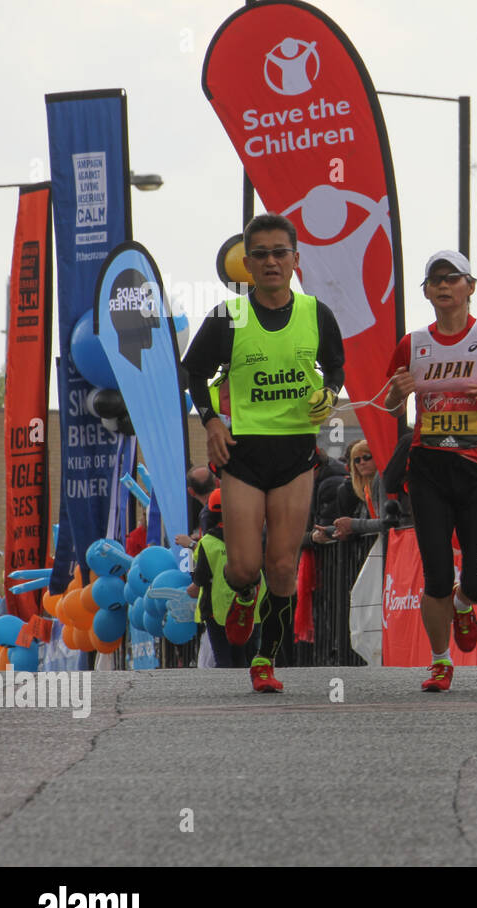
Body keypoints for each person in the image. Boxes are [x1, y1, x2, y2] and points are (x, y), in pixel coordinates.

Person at [182, 212, 346, 693]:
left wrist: (330, 395)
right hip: (244, 455)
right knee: (243, 567)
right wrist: (211, 421)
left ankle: (264, 660)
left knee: (281, 567)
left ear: (296, 260)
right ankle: (241, 593)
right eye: (261, 254)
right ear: (247, 265)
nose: (271, 262)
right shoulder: (227, 317)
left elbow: (334, 367)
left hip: (296, 453)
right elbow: (193, 372)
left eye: (280, 253)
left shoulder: (317, 314)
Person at [384, 250, 477, 692]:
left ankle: (466, 605)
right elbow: (392, 405)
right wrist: (399, 392)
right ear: (427, 292)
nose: (444, 286)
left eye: (453, 278)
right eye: (435, 280)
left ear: (470, 287)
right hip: (429, 468)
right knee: (435, 575)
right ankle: (439, 660)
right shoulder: (412, 345)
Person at [192, 489, 261, 669]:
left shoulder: (206, 542)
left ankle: (229, 692)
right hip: (247, 605)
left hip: (216, 609)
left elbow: (200, 578)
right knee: (242, 655)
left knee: (222, 657)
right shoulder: (251, 536)